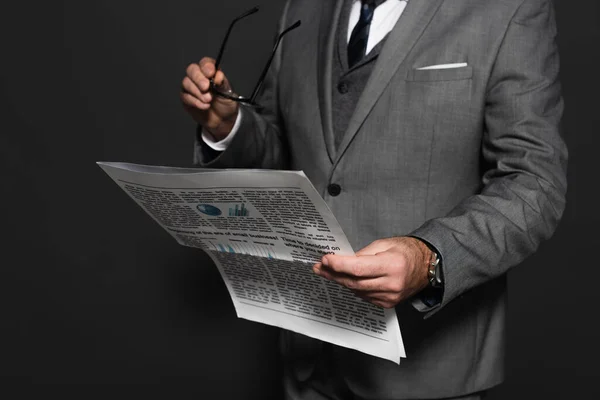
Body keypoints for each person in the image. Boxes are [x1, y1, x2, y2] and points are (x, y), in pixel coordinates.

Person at [181, 0, 567, 398]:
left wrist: (429, 259)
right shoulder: (303, 7)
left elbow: (533, 184)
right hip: (309, 358)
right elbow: (291, 158)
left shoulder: (507, 9)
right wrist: (230, 127)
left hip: (426, 368)